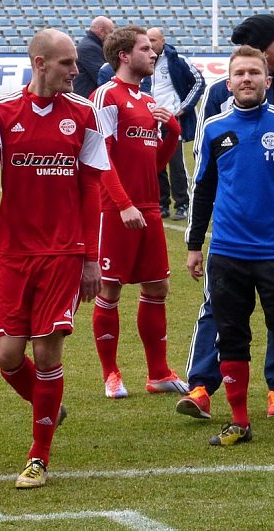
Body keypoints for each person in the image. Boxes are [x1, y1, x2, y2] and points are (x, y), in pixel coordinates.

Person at [0, 28, 109, 489]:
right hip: (14, 252)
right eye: (68, 63)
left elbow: (92, 189)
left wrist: (91, 258)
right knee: (7, 354)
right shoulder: (1, 112)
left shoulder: (84, 114)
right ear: (40, 62)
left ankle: (38, 456)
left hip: (64, 253)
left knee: (47, 351)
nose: (76, 69)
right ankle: (48, 405)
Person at [186, 45, 274, 446]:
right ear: (228, 82)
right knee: (230, 336)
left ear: (268, 80)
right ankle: (239, 421)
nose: (246, 79)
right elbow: (203, 190)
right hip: (227, 253)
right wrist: (195, 244)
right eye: (239, 74)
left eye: (254, 73)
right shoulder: (214, 126)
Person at [175, 14, 274, 422]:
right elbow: (206, 170)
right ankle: (201, 386)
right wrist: (196, 238)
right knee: (218, 307)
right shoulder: (218, 95)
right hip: (232, 233)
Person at [89, 25, 188, 400]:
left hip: (147, 208)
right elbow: (100, 158)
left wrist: (174, 133)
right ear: (124, 56)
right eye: (146, 49)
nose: (153, 54)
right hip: (115, 210)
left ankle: (158, 372)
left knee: (158, 287)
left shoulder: (147, 103)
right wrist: (123, 204)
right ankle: (111, 373)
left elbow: (155, 165)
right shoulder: (106, 97)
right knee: (109, 288)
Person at [141, 27, 205, 221]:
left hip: (170, 119)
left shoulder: (178, 60)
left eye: (154, 40)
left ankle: (183, 203)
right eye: (147, 40)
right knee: (154, 163)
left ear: (163, 41)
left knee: (176, 163)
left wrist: (184, 108)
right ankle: (161, 203)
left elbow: (199, 82)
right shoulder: (142, 60)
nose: (150, 44)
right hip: (149, 119)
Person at [73, 16, 114, 99]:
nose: (112, 36)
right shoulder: (89, 48)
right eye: (110, 32)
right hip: (86, 99)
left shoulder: (92, 46)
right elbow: (103, 76)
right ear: (101, 31)